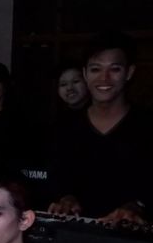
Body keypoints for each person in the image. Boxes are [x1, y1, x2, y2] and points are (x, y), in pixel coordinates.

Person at [48, 31, 153, 222]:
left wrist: (137, 206)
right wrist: (66, 198)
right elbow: (58, 179)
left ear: (129, 72)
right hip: (76, 233)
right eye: (96, 69)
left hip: (132, 236)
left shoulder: (146, 126)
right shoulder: (65, 127)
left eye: (115, 69)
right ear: (85, 73)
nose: (104, 78)